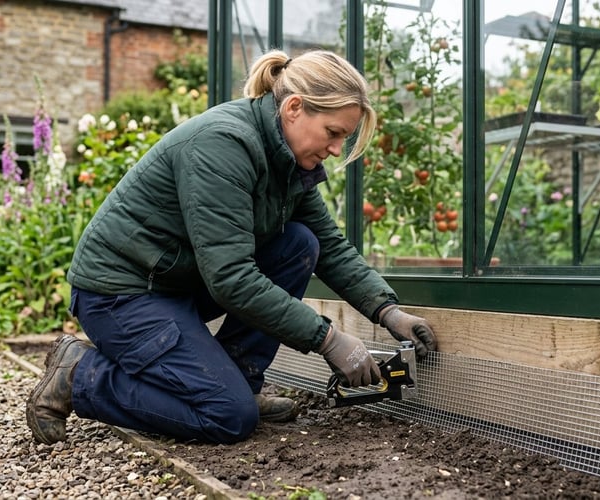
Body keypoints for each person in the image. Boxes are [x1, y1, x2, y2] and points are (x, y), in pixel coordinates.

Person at [26, 49, 437, 446]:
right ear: (294, 108)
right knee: (226, 416)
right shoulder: (222, 145)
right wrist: (328, 339)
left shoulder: (289, 160)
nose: (334, 149)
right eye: (333, 133)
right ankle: (81, 375)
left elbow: (328, 246)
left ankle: (240, 380)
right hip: (120, 294)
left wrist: (388, 310)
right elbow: (231, 279)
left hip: (176, 284)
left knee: (299, 243)